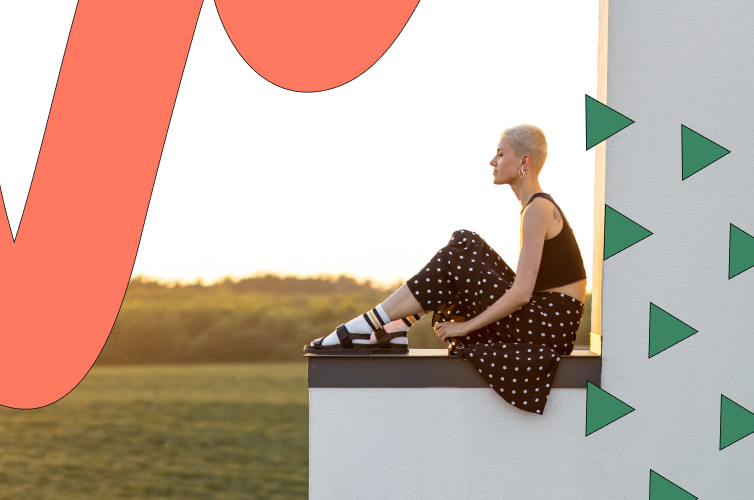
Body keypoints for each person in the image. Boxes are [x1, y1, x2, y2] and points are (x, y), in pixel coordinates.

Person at [305, 124, 587, 415]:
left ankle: (370, 326)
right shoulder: (537, 207)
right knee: (467, 242)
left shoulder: (537, 210)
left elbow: (520, 294)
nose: (493, 161)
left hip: (548, 327)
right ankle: (395, 327)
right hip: (549, 322)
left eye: (501, 154)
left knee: (460, 253)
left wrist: (465, 326)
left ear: (524, 162)